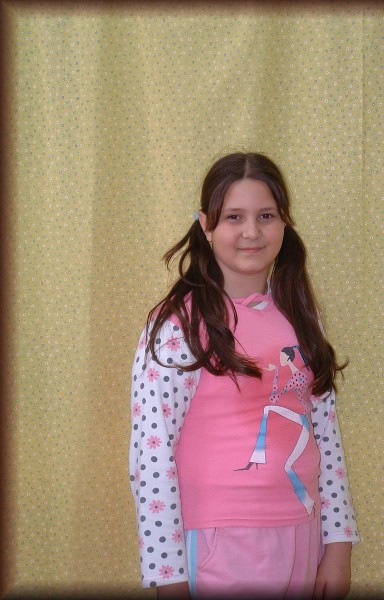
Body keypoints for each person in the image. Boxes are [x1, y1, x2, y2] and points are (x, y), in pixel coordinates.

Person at [129, 152, 359, 599]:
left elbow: (325, 435)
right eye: (234, 217)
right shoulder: (178, 325)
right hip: (221, 542)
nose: (251, 232)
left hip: (302, 532)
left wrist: (338, 542)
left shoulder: (300, 314)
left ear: (285, 222)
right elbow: (151, 455)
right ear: (206, 225)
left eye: (265, 216)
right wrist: (168, 577)